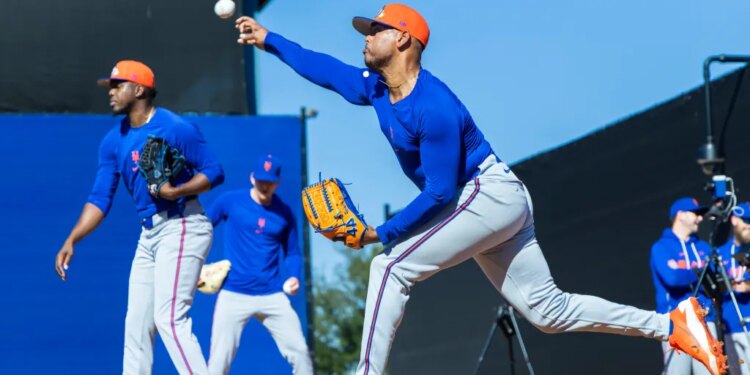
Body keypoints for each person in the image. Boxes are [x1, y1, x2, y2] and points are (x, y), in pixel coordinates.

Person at [233, 4, 726, 374]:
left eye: (376, 29)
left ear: (403, 40)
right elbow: (325, 70)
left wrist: (378, 232)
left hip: (486, 195)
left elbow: (441, 194)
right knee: (548, 311)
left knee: (389, 266)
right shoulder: (377, 87)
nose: (366, 36)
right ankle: (674, 325)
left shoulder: (435, 106)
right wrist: (269, 38)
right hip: (486, 203)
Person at [54, 60, 224, 374]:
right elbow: (100, 198)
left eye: (117, 85)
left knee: (170, 318)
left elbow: (214, 171)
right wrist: (72, 238)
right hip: (149, 235)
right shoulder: (113, 141)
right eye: (112, 86)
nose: (112, 91)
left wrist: (178, 190)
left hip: (183, 223)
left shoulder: (175, 128)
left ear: (139, 89)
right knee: (137, 325)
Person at [206, 155, 313, 375]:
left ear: (278, 182)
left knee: (300, 351)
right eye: (261, 180)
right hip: (234, 292)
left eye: (270, 181)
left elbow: (292, 252)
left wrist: (294, 275)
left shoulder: (284, 213)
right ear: (252, 177)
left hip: (272, 294)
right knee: (219, 360)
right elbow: (203, 229)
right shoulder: (230, 201)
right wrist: (196, 265)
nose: (265, 185)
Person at [650, 197, 716, 374]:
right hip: (674, 321)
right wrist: (700, 272)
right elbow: (672, 279)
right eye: (696, 214)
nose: (700, 219)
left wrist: (684, 272)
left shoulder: (704, 248)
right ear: (680, 215)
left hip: (705, 321)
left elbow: (715, 282)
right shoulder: (661, 247)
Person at [718, 202, 750, 374]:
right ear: (734, 220)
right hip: (731, 325)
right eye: (746, 220)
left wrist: (747, 286)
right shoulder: (720, 253)